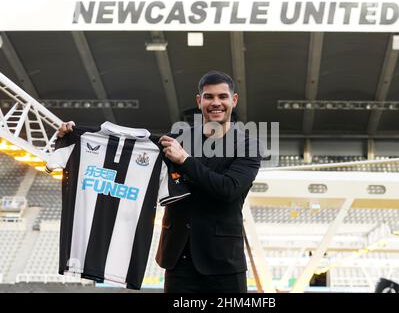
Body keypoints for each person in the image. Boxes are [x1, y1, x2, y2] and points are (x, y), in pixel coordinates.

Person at [57, 71, 262, 293]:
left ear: (234, 100)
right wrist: (76, 134)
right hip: (177, 260)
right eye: (209, 97)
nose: (216, 103)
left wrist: (184, 160)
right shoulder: (177, 139)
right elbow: (128, 148)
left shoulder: (248, 145)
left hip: (224, 263)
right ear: (199, 100)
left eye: (222, 97)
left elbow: (228, 189)